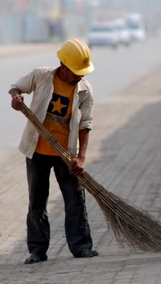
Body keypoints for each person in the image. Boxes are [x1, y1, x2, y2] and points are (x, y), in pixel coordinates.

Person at [9, 39, 99, 264]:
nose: (80, 76)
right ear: (63, 65)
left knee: (75, 199)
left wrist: (80, 158)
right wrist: (16, 98)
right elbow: (16, 86)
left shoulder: (84, 90)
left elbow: (85, 125)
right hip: (37, 151)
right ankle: (37, 250)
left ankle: (81, 247)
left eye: (82, 72)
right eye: (76, 71)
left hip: (66, 155)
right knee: (37, 201)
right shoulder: (41, 76)